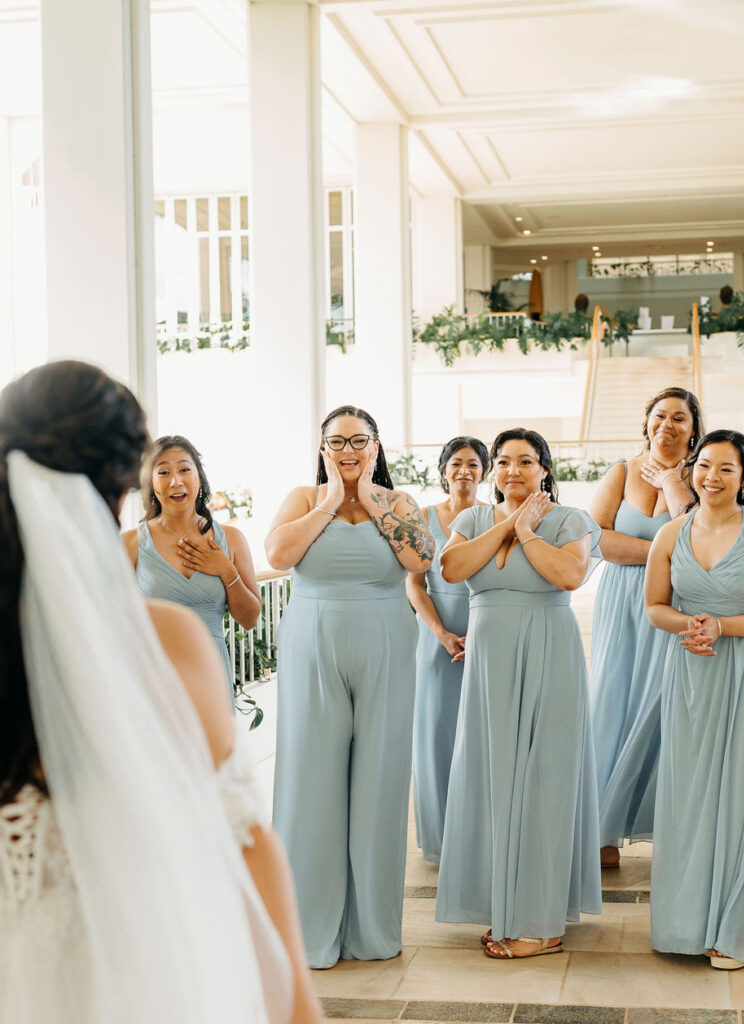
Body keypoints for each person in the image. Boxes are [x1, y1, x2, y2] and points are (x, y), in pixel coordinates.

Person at [0, 361, 321, 1023]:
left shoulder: (221, 544)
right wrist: (301, 1011)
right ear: (128, 483)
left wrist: (226, 570)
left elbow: (251, 612)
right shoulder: (166, 644)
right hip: (144, 969)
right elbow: (244, 842)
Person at [265, 405, 434, 969]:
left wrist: (379, 508)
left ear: (378, 446)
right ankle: (308, 930)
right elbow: (278, 555)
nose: (348, 451)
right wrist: (333, 501)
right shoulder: (303, 498)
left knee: (381, 781)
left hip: (386, 638)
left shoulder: (400, 502)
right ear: (321, 449)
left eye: (360, 441)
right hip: (313, 640)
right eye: (336, 442)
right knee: (310, 779)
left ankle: (371, 931)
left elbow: (421, 559)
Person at [435, 428, 602, 960]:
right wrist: (511, 521)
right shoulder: (471, 520)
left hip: (549, 656)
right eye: (503, 461)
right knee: (491, 779)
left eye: (525, 462)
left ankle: (542, 921)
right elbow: (452, 569)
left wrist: (529, 533)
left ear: (545, 469)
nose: (512, 470)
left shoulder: (571, 521)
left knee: (545, 780)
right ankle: (505, 905)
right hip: (489, 666)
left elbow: (570, 575)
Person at [646, 429, 744, 969]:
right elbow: (654, 607)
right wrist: (693, 625)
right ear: (691, 469)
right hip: (690, 670)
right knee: (688, 799)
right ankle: (684, 926)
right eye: (704, 466)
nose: (711, 477)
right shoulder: (670, 534)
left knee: (740, 795)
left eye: (726, 469)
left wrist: (724, 626)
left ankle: (732, 933)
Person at [589, 387, 703, 868]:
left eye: (679, 417)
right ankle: (602, 829)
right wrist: (663, 553)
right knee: (613, 702)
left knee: (665, 706)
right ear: (647, 422)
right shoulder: (621, 471)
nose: (668, 425)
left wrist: (677, 486)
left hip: (674, 605)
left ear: (693, 427)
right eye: (660, 415)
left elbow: (700, 537)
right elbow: (597, 538)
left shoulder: (704, 475)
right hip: (621, 602)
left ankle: (668, 826)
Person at [124, 435, 261, 704]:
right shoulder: (130, 544)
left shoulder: (232, 539)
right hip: (152, 677)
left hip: (211, 676)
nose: (176, 481)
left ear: (199, 478)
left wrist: (226, 571)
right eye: (163, 472)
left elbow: (249, 619)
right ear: (151, 483)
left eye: (185, 469)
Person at [407, 435, 489, 864]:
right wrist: (442, 634)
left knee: (477, 735)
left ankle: (475, 836)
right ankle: (440, 840)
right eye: (456, 463)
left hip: (485, 637)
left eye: (473, 464)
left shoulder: (492, 517)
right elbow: (414, 584)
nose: (464, 471)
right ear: (443, 470)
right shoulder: (422, 517)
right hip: (437, 640)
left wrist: (481, 634)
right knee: (436, 734)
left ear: (484, 472)